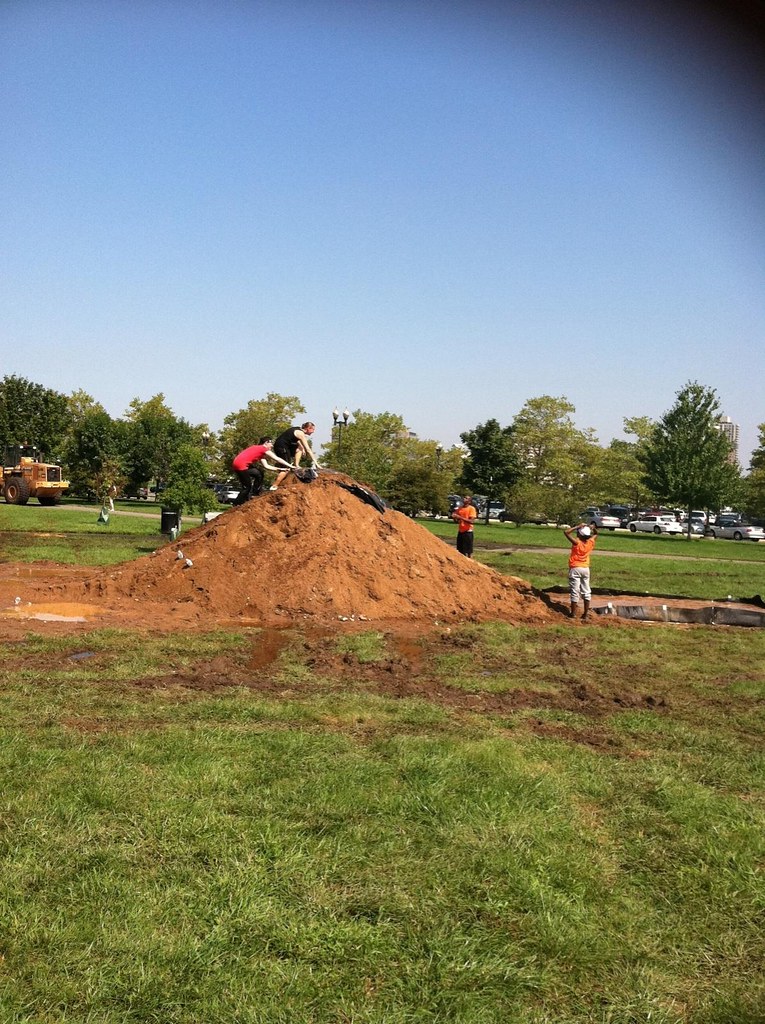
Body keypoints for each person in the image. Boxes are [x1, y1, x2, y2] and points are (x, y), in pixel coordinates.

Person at [231, 440, 293, 505]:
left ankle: (254, 493)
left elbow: (267, 466)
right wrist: (290, 466)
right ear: (266, 443)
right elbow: (277, 458)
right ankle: (236, 503)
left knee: (259, 474)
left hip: (239, 464)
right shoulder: (262, 448)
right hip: (241, 466)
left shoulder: (258, 450)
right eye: (271, 444)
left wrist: (281, 469)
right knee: (247, 487)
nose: (272, 446)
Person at [563, 521, 599, 619]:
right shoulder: (591, 542)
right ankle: (585, 614)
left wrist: (577, 526)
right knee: (586, 591)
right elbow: (596, 534)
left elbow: (566, 532)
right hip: (585, 568)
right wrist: (592, 528)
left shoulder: (577, 542)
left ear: (580, 534)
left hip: (575, 568)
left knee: (575, 591)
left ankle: (573, 614)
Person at [271, 422, 318, 490]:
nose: (313, 432)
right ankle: (274, 486)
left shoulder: (298, 430)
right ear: (308, 428)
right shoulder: (301, 434)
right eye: (313, 429)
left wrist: (302, 447)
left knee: (300, 449)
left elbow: (296, 440)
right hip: (281, 447)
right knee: (286, 468)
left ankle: (296, 465)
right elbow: (308, 449)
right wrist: (316, 462)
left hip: (286, 446)